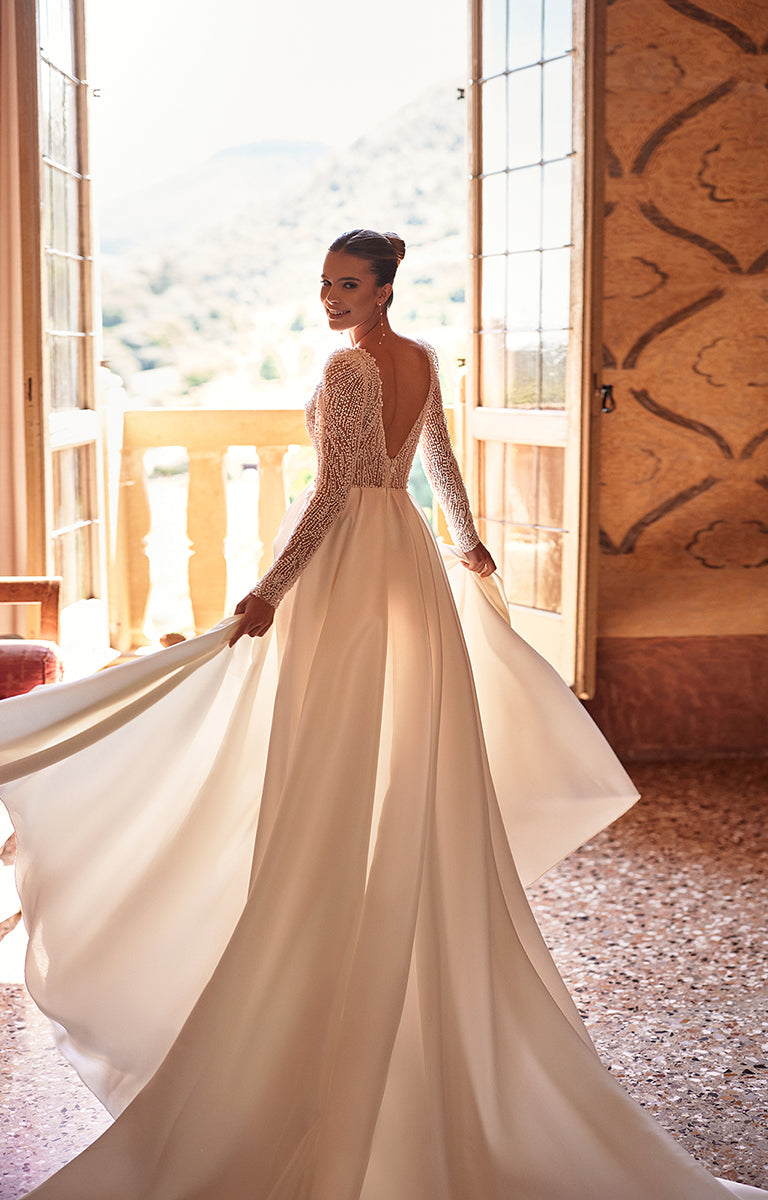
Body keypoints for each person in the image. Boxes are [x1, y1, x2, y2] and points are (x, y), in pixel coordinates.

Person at [0, 229, 763, 1199]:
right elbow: (434, 459)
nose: (330, 299)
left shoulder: (353, 367)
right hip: (407, 565)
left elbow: (330, 493)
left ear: (385, 287)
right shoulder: (421, 360)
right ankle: (370, 905)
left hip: (347, 577)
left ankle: (327, 915)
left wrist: (271, 588)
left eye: (347, 285)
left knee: (329, 746)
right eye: (325, 285)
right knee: (393, 747)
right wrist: (472, 545)